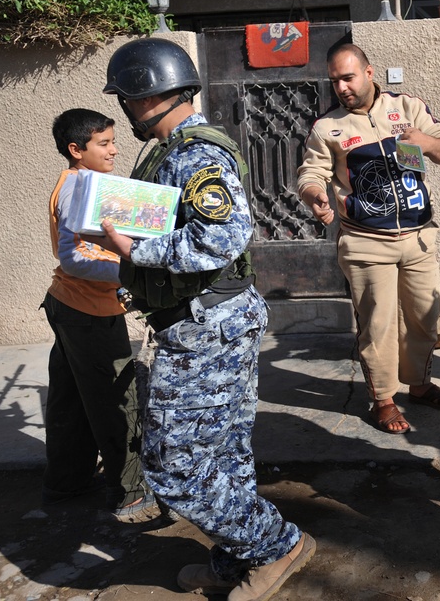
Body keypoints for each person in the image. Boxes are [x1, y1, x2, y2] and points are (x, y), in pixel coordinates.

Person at [95, 38, 314, 600]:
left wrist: (135, 251)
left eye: (124, 96)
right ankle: (236, 560)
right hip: (209, 318)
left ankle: (275, 546)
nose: (122, 107)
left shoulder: (194, 153)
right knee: (222, 455)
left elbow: (222, 236)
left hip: (205, 325)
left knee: (175, 466)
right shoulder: (173, 148)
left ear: (145, 95)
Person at [297, 43, 440, 435]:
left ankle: (419, 386)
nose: (341, 87)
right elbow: (309, 174)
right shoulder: (327, 127)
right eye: (334, 81)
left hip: (419, 237)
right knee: (379, 325)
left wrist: (426, 143)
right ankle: (383, 399)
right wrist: (315, 196)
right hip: (366, 243)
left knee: (424, 318)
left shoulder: (407, 108)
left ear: (370, 73)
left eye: (348, 78)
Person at [41, 108, 156, 523]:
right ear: (77, 150)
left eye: (112, 141)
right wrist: (132, 274)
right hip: (86, 310)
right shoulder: (79, 188)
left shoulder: (88, 182)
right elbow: (73, 258)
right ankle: (133, 494)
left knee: (70, 400)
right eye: (103, 144)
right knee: (115, 401)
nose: (113, 149)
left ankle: (67, 483)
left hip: (70, 305)